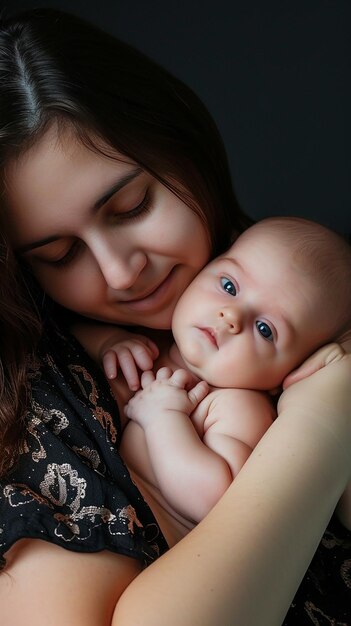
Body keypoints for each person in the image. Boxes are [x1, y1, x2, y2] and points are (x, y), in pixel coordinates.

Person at [0, 8, 350, 626]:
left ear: (182, 143)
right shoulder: (40, 396)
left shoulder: (325, 307)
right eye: (61, 255)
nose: (119, 273)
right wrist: (323, 424)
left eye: (131, 205)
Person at [89, 217, 351, 533]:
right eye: (229, 286)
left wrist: (164, 419)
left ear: (295, 369)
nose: (232, 317)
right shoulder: (151, 341)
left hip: (146, 541)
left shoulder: (238, 407)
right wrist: (108, 342)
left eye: (265, 329)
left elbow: (215, 501)